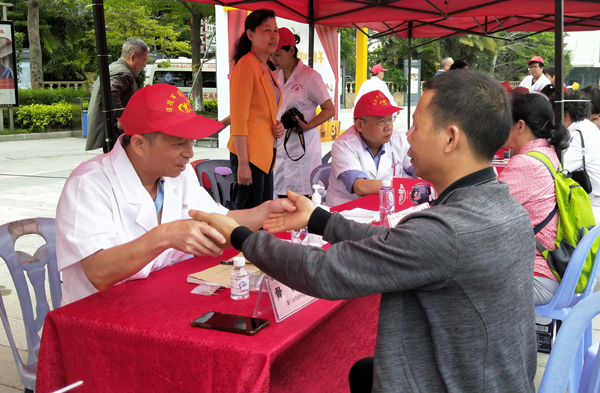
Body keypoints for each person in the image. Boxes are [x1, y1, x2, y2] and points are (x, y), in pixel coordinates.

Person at [191, 70, 537, 393]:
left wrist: (241, 237)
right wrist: (321, 221)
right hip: (486, 376)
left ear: (450, 138)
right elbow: (398, 246)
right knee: (361, 371)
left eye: (415, 126)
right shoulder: (502, 206)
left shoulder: (449, 230)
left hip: (450, 380)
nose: (406, 135)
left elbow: (324, 271)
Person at [56, 84, 295, 305]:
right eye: (179, 143)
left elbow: (218, 220)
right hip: (99, 315)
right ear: (139, 144)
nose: (189, 153)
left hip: (159, 301)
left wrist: (264, 213)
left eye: (191, 142)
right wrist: (165, 235)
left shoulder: (178, 175)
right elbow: (98, 272)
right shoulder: (89, 184)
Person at [498, 93, 570, 305]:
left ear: (520, 126)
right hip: (553, 271)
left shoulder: (527, 163)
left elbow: (483, 208)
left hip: (536, 277)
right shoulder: (548, 153)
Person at [228, 9, 284, 209]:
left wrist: (277, 127)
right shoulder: (245, 66)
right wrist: (243, 163)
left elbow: (262, 111)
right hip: (249, 156)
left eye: (275, 30)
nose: (274, 35)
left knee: (263, 215)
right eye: (267, 30)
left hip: (265, 153)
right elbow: (239, 118)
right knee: (250, 217)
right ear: (251, 34)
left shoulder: (266, 67)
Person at [270, 27, 335, 198]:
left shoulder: (310, 77)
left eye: (277, 54)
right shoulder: (274, 76)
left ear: (291, 50)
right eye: (271, 55)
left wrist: (308, 125)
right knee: (281, 197)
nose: (273, 59)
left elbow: (329, 109)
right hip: (280, 145)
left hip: (302, 145)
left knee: (303, 198)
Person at [327, 90, 414, 207]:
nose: (389, 127)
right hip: (348, 210)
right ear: (360, 125)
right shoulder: (344, 145)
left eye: (390, 119)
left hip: (385, 206)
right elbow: (360, 186)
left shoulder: (399, 140)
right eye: (382, 121)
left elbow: (419, 170)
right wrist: (404, 187)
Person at [86, 37, 148, 153]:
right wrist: (122, 117)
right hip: (114, 132)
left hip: (112, 131)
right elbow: (110, 91)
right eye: (144, 60)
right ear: (133, 57)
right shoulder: (122, 72)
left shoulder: (115, 68)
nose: (145, 65)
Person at [563, 90, 600, 222]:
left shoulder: (577, 136)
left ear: (565, 115)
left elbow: (557, 169)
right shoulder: (590, 128)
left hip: (592, 209)